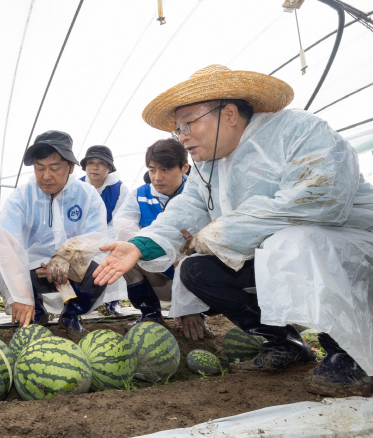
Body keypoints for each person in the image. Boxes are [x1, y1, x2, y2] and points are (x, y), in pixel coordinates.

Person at [94, 65, 373, 397]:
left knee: (296, 240)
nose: (182, 136)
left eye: (188, 124)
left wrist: (221, 232)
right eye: (177, 129)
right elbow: (183, 212)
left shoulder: (298, 130)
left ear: (228, 114)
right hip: (276, 253)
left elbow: (319, 199)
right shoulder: (208, 166)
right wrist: (140, 246)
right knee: (196, 270)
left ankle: (348, 351)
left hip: (344, 248)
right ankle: (283, 341)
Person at [0, 130, 108, 341]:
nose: (46, 176)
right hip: (34, 269)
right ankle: (35, 313)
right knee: (2, 264)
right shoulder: (21, 196)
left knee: (100, 273)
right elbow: (7, 242)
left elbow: (97, 236)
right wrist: (20, 296)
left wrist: (66, 257)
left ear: (71, 168)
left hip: (73, 268)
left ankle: (71, 315)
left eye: (55, 168)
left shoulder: (87, 195)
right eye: (40, 168)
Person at [113, 139, 203, 334]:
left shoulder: (198, 193)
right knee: (125, 251)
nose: (157, 177)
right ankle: (150, 312)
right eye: (152, 170)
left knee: (196, 260)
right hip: (160, 276)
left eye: (165, 170)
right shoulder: (139, 195)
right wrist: (165, 253)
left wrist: (190, 307)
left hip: (195, 277)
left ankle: (194, 312)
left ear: (184, 168)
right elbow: (124, 228)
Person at [79, 145, 129, 317]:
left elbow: (119, 222)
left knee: (113, 255)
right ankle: (76, 301)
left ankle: (112, 301)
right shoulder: (76, 186)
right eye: (91, 162)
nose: (95, 167)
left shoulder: (120, 189)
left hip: (108, 235)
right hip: (80, 236)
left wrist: (102, 242)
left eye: (101, 163)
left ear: (109, 168)